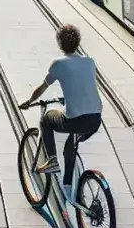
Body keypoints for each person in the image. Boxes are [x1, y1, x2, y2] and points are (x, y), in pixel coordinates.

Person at [23, 25, 102, 192]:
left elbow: (42, 87)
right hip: (95, 119)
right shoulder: (89, 61)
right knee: (70, 146)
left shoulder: (58, 64)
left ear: (60, 44)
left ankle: (52, 161)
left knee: (46, 120)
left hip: (75, 120)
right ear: (78, 42)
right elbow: (82, 85)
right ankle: (68, 187)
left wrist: (30, 101)